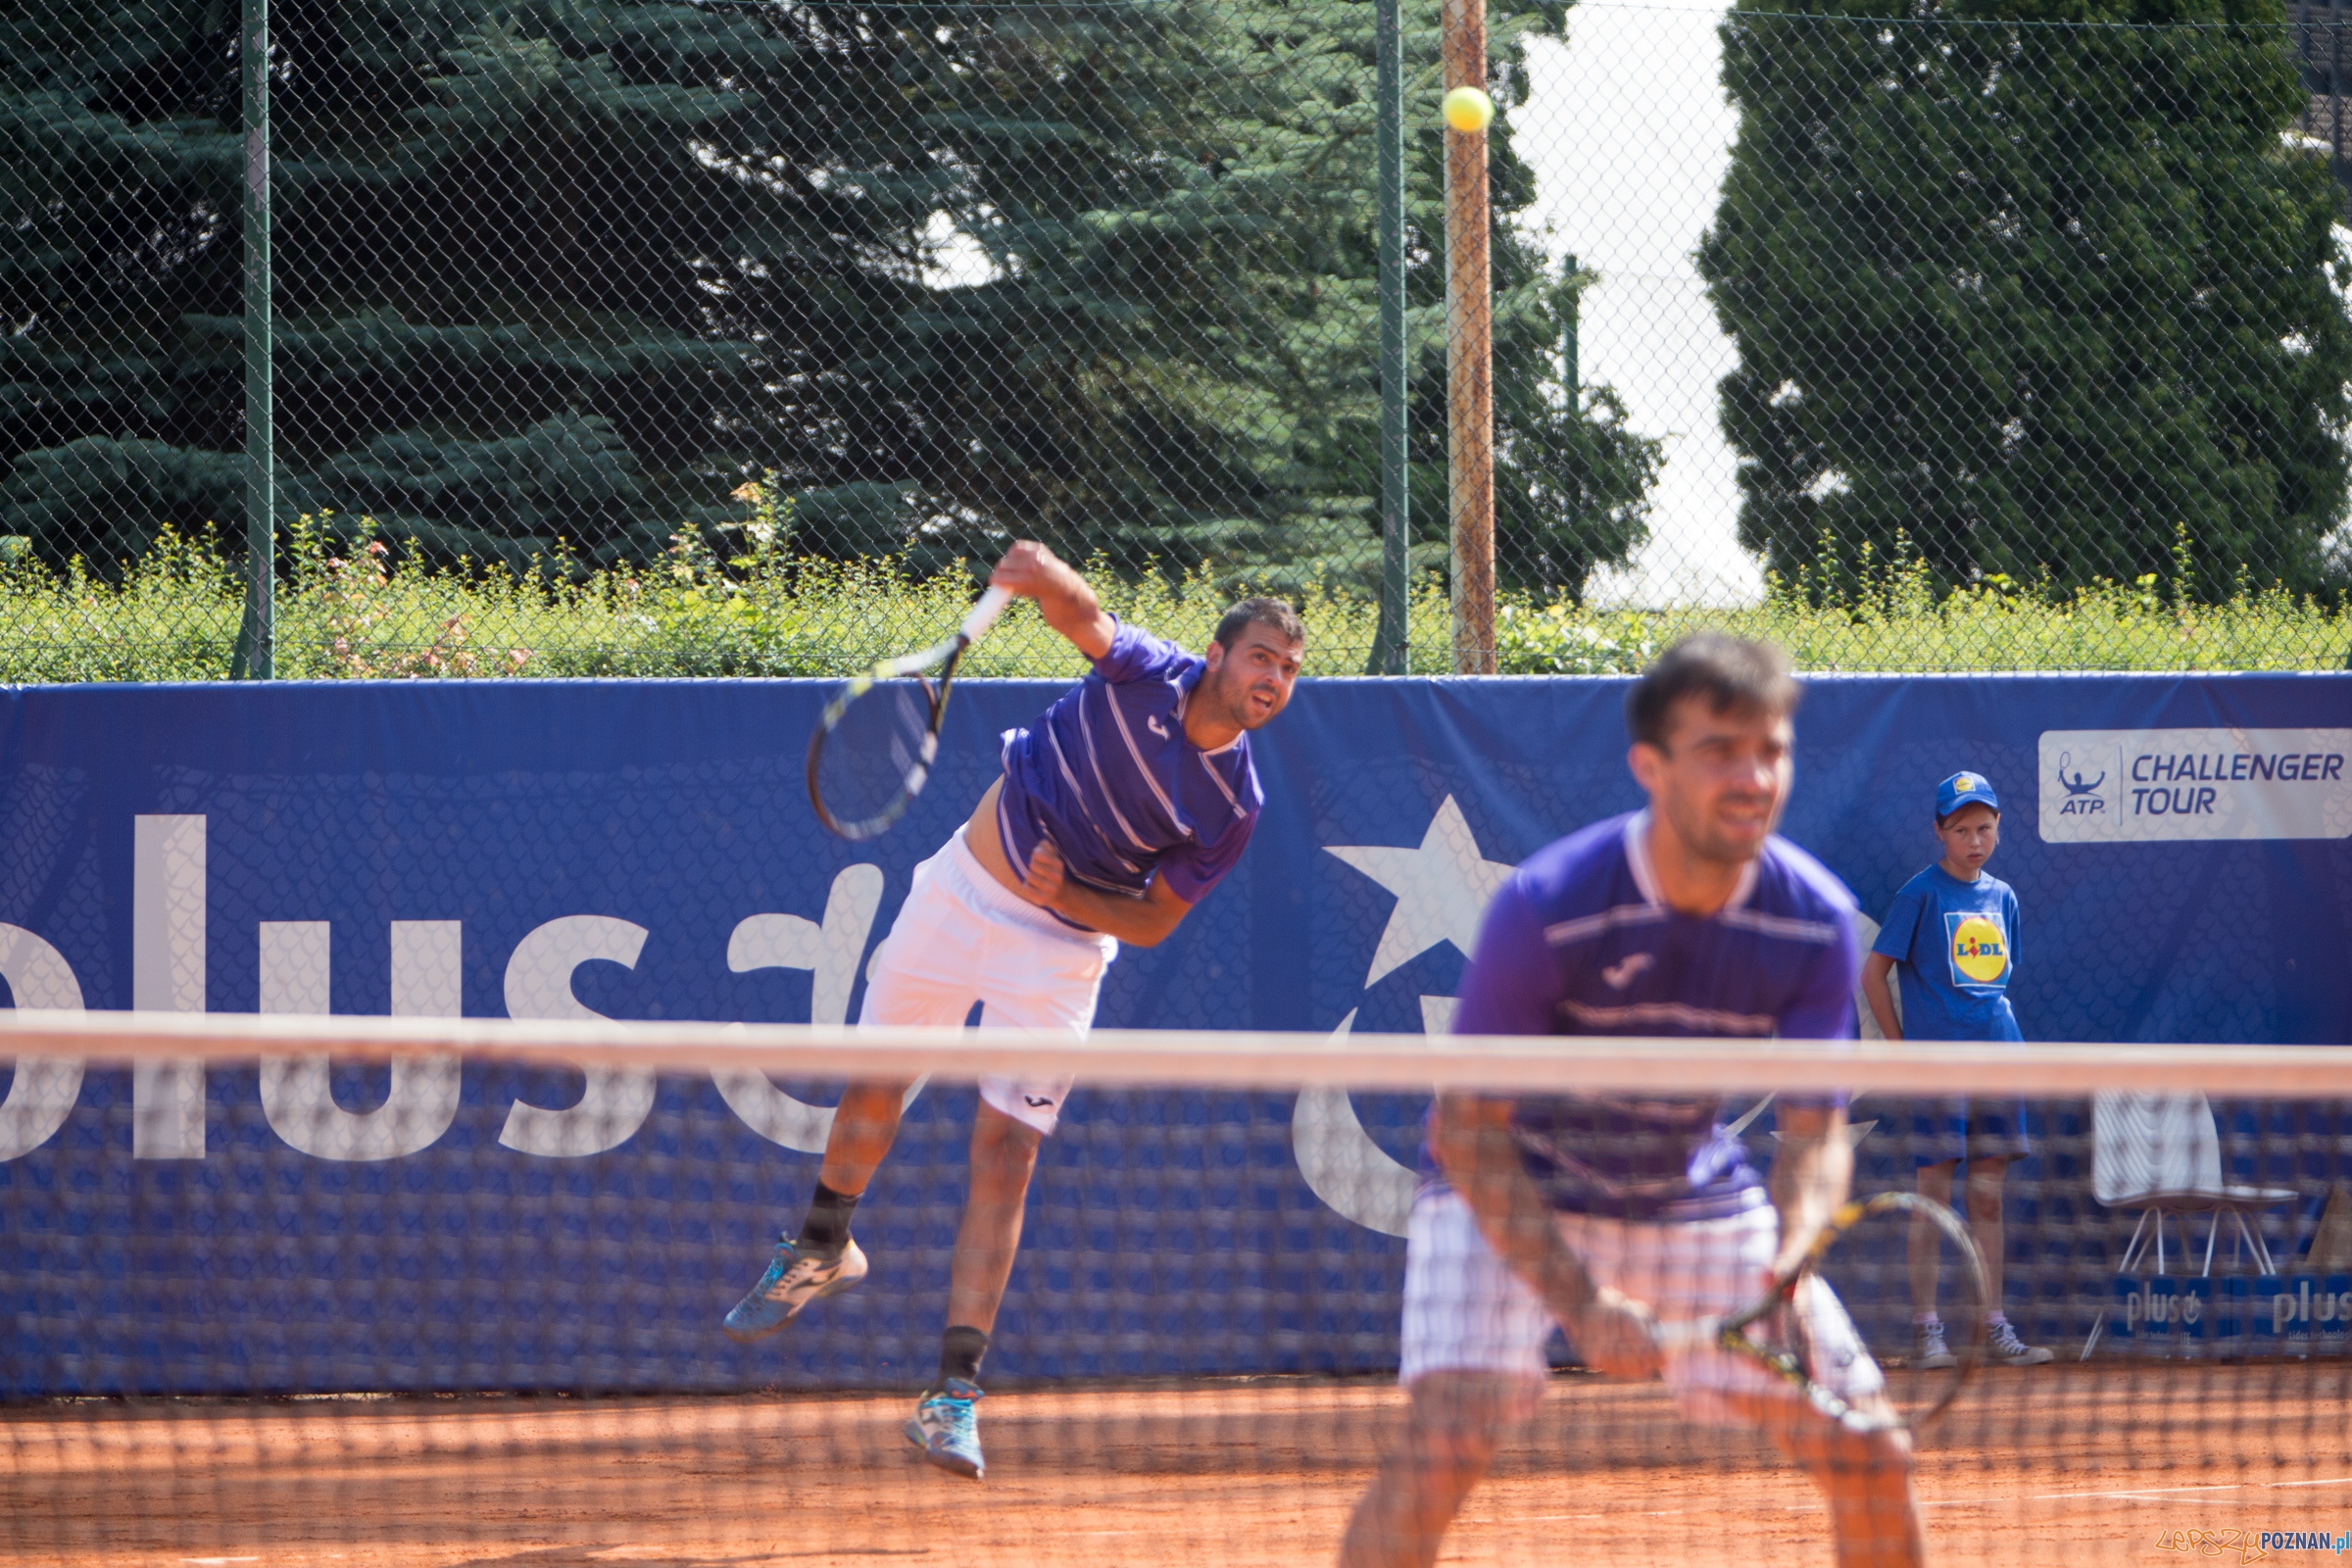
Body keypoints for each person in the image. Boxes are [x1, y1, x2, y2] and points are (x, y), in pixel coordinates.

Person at [1338, 633, 1923, 1568]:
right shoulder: (1552, 903)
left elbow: (1814, 1132)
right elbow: (1469, 1131)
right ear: (1649, 767)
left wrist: (1791, 1254)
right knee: (1448, 1438)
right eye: (1719, 752)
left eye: (1770, 750)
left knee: (1873, 1455)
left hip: (1686, 1191)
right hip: (1510, 1186)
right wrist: (1580, 1299)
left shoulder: (1811, 918)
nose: (1752, 777)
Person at [722, 541, 1304, 1480]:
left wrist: (1069, 900)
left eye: (1289, 669)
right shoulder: (1149, 670)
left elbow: (1153, 921)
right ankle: (824, 1247)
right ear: (1218, 656)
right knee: (877, 1087)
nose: (1274, 678)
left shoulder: (1235, 801)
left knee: (1008, 1153)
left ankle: (952, 1397)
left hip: (1064, 955)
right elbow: (1083, 615)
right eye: (1261, 658)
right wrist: (1042, 571)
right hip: (957, 895)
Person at [1860, 770, 2052, 1371]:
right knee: (1933, 1200)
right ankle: (1927, 1333)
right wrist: (1901, 1051)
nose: (1975, 840)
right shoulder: (1919, 894)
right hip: (1940, 1071)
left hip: (1999, 1059)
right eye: (1962, 829)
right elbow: (1873, 975)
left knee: (1988, 1200)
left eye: (1985, 828)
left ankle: (1993, 1327)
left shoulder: (2004, 896)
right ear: (1939, 831)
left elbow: (1998, 982)